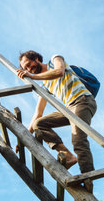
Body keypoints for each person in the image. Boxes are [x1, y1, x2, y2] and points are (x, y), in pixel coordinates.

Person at [15, 50, 97, 181]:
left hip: (82, 100)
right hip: (69, 108)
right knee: (39, 124)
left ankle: (88, 179)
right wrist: (24, 135)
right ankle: (67, 155)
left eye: (29, 64)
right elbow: (38, 113)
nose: (29, 68)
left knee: (78, 140)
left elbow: (59, 72)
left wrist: (31, 76)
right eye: (26, 68)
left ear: (36, 58)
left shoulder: (54, 60)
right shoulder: (45, 85)